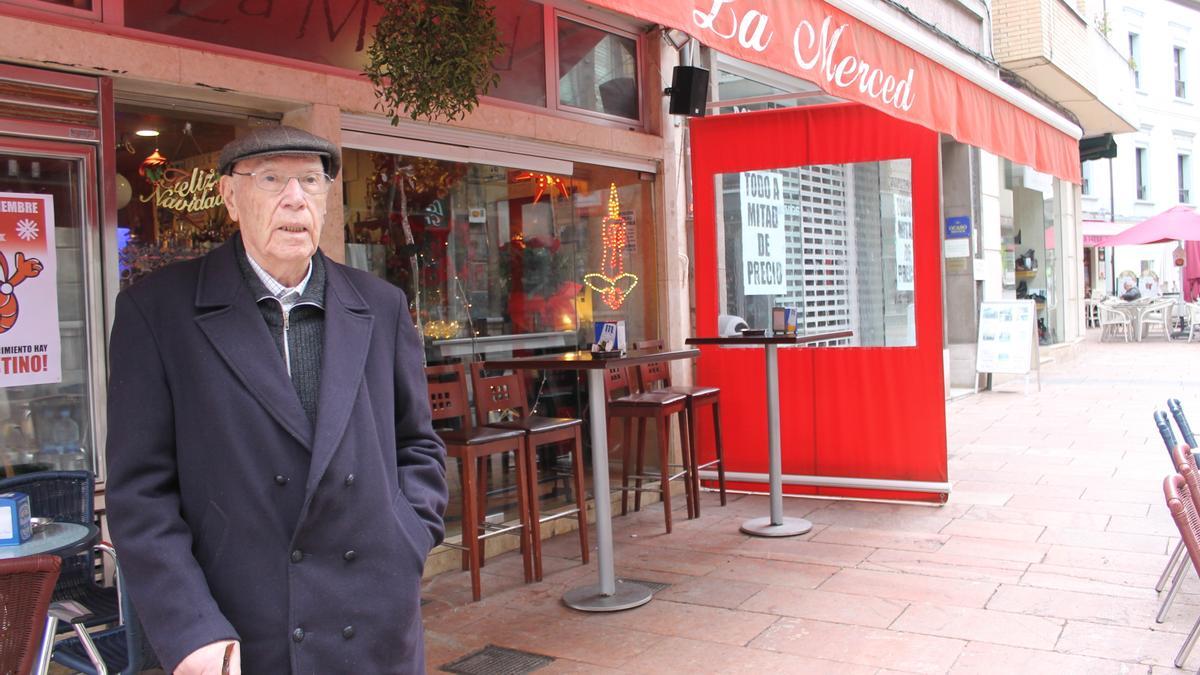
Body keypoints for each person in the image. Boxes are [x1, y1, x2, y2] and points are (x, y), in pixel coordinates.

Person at [106, 125, 448, 674]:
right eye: (271, 179)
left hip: (375, 622)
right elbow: (139, 495)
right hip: (238, 631)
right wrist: (189, 628)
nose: (295, 198)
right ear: (230, 197)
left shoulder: (381, 306)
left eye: (310, 181)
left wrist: (409, 537)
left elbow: (418, 444)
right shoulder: (158, 314)